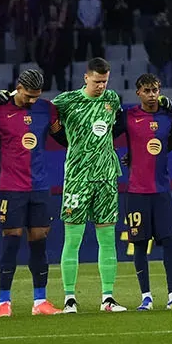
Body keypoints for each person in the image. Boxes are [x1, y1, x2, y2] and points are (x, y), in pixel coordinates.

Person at [41, 57, 126, 313]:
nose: (101, 86)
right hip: (77, 178)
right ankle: (69, 298)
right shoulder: (68, 101)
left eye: (105, 82)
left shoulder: (112, 99)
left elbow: (119, 126)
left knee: (108, 239)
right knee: (73, 239)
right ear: (86, 77)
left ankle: (108, 298)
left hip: (106, 177)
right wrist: (68, 141)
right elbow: (45, 115)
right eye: (97, 81)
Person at [0, 68, 59, 316]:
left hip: (39, 186)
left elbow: (64, 136)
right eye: (28, 95)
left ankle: (40, 301)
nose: (31, 100)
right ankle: (3, 302)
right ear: (18, 87)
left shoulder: (46, 109)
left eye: (35, 96)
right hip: (11, 187)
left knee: (39, 241)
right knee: (11, 242)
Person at [119, 74, 172, 311]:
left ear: (160, 91)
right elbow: (105, 134)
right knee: (139, 244)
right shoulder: (128, 117)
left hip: (162, 191)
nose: (151, 95)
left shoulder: (168, 117)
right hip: (137, 191)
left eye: (155, 90)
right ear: (137, 92)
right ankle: (146, 297)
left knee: (170, 242)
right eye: (146, 91)